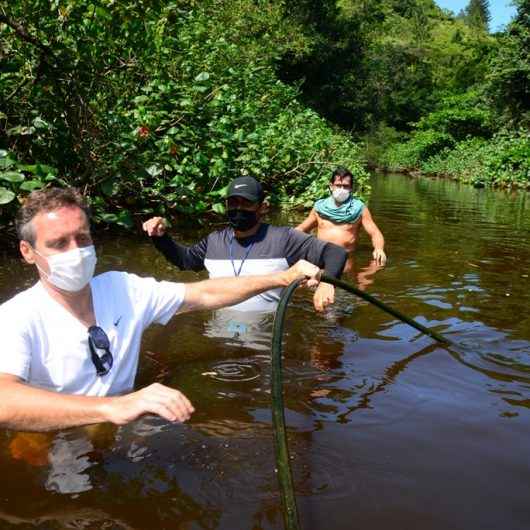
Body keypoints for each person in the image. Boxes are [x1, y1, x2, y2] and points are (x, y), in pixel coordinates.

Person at [0, 188, 321, 432]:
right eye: (59, 244)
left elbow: (204, 293)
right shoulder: (17, 317)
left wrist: (282, 277)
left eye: (82, 239)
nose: (77, 252)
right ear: (28, 252)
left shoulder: (121, 287)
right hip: (57, 435)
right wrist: (111, 408)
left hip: (122, 425)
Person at [142, 176, 348, 312]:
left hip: (266, 337)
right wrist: (160, 237)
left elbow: (335, 253)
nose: (239, 209)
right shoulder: (213, 241)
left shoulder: (284, 239)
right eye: (233, 203)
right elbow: (184, 261)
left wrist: (327, 282)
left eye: (247, 203)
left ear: (263, 207)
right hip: (218, 335)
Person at [296, 167, 387, 267]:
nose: (341, 189)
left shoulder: (360, 209)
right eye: (338, 185)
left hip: (346, 258)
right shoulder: (320, 207)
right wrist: (286, 241)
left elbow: (375, 233)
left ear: (351, 188)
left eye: (345, 186)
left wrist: (379, 249)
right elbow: (301, 229)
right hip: (319, 255)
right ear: (331, 186)